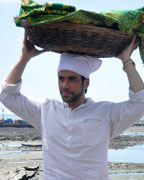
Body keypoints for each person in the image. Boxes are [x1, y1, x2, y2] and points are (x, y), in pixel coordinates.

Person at [0, 32, 144, 180]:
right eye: (61, 78)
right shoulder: (45, 110)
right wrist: (24, 58)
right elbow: (6, 95)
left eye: (72, 79)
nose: (64, 85)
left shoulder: (105, 113)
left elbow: (140, 103)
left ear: (86, 82)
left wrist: (126, 61)